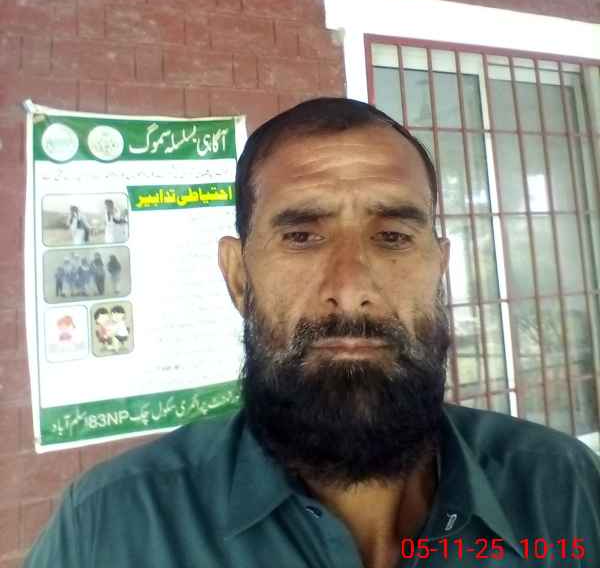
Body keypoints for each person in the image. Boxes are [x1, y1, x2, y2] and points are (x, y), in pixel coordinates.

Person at [25, 98, 600, 568]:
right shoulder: (108, 528)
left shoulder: (563, 491)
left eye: (394, 236)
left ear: (439, 268)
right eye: (301, 237)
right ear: (238, 278)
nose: (350, 290)